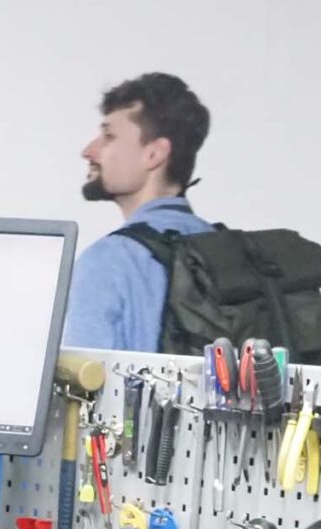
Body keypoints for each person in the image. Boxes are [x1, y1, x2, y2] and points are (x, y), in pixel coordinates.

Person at [64, 72, 213, 353]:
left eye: (108, 136)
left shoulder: (108, 262)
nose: (89, 150)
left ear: (154, 154)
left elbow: (81, 392)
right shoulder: (224, 251)